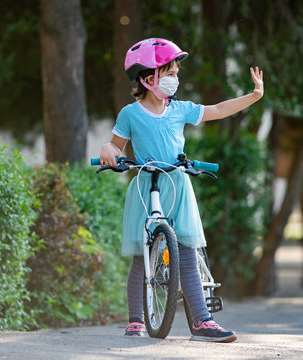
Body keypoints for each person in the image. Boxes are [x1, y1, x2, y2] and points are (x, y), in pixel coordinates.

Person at [99, 38, 264, 342]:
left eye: (176, 73)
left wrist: (252, 97)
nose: (176, 79)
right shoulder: (130, 114)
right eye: (170, 73)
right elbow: (116, 144)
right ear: (149, 79)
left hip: (177, 183)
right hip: (146, 185)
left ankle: (202, 322)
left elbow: (216, 109)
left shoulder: (181, 109)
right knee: (142, 256)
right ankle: (136, 319)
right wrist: (108, 150)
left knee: (186, 252)